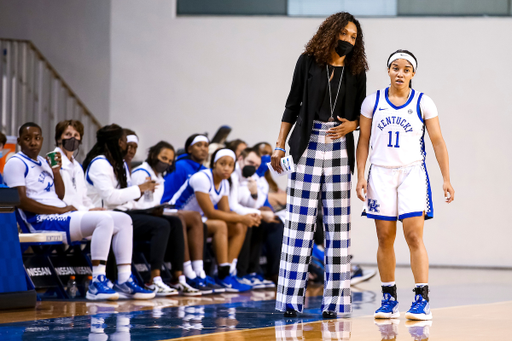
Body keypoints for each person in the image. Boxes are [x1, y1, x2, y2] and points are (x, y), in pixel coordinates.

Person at [271, 12, 368, 319]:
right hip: (306, 144)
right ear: (331, 32)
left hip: (339, 147)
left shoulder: (357, 70)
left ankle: (336, 304)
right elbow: (292, 104)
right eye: (345, 35)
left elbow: (362, 116)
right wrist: (278, 144)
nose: (349, 41)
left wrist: (351, 125)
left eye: (354, 37)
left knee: (338, 227)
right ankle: (289, 301)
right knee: (299, 224)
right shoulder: (307, 62)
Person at [356, 50, 454, 321]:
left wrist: (446, 178)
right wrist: (360, 175)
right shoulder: (372, 102)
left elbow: (437, 142)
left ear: (413, 74)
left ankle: (421, 299)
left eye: (406, 69)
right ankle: (388, 299)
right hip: (381, 174)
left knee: (413, 236)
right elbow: (363, 140)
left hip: (412, 174)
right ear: (388, 70)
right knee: (384, 238)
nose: (400, 73)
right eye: (395, 68)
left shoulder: (424, 102)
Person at [4, 122, 154, 300]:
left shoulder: (44, 162)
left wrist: (56, 172)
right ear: (19, 140)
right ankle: (97, 281)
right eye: (28, 139)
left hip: (59, 215)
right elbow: (21, 201)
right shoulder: (15, 162)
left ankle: (124, 279)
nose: (33, 142)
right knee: (104, 220)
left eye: (37, 138)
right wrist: (59, 210)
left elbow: (59, 194)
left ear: (42, 140)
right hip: (40, 221)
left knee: (123, 219)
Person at [83, 124, 181, 297]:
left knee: (171, 221)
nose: (126, 146)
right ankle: (150, 279)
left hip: (117, 213)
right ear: (115, 142)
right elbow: (112, 198)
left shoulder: (117, 164)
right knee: (159, 225)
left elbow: (126, 195)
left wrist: (142, 192)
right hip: (97, 214)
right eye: (123, 141)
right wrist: (139, 189)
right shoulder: (99, 163)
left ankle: (125, 279)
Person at [170, 148, 260, 292]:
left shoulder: (224, 182)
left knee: (239, 227)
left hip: (199, 220)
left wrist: (245, 218)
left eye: (230, 165)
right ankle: (221, 271)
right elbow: (211, 213)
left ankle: (228, 273)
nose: (227, 168)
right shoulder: (202, 178)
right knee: (220, 225)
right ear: (214, 164)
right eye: (222, 164)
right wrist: (242, 218)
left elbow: (225, 212)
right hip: (178, 216)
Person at [131, 140, 209, 296]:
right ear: (153, 155)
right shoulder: (141, 173)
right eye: (163, 158)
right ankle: (154, 279)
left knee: (175, 221)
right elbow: (135, 202)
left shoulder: (159, 177)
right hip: (135, 215)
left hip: (150, 214)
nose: (166, 162)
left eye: (169, 160)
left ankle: (179, 277)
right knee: (163, 224)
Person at [230, 147, 281, 288]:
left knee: (269, 224)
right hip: (227, 213)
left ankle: (257, 272)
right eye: (250, 162)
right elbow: (232, 205)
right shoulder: (233, 176)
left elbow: (253, 204)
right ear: (240, 159)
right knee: (249, 220)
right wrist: (259, 213)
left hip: (243, 212)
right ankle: (240, 272)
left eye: (256, 165)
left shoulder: (254, 179)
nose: (253, 167)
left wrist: (254, 194)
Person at [161, 134, 208, 204]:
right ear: (189, 149)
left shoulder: (206, 171)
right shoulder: (179, 166)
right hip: (176, 211)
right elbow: (167, 197)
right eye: (198, 145)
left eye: (206, 146)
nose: (203, 149)